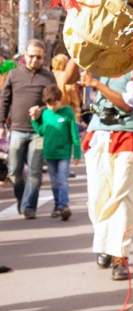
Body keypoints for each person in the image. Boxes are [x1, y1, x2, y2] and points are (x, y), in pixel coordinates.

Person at [81, 57, 133, 280]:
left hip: (129, 135)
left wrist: (97, 84)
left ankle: (120, 255)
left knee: (122, 197)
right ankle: (105, 243)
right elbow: (67, 81)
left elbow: (129, 102)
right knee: (97, 198)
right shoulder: (98, 58)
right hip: (98, 135)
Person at [0, 39, 56, 219]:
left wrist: (42, 109)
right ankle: (22, 199)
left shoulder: (48, 77)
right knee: (14, 171)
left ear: (43, 58)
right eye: (31, 56)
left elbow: (54, 102)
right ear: (25, 56)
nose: (34, 60)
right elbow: (5, 100)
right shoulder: (14, 74)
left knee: (35, 170)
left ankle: (29, 206)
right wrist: (1, 124)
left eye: (38, 57)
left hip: (38, 131)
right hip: (16, 129)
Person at [29, 84, 81, 220]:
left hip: (64, 153)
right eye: (49, 104)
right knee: (54, 182)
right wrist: (34, 120)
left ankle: (64, 205)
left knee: (62, 180)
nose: (52, 106)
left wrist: (77, 152)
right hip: (50, 153)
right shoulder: (45, 114)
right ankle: (57, 205)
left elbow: (74, 133)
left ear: (60, 100)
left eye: (54, 103)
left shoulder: (68, 112)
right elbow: (40, 131)